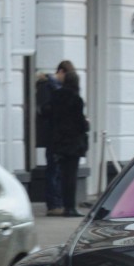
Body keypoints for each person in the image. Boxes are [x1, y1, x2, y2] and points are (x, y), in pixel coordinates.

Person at [49, 66, 90, 217]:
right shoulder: (76, 99)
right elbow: (80, 123)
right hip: (73, 142)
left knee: (63, 175)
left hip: (59, 141)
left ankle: (64, 205)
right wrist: (87, 123)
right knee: (71, 176)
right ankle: (70, 207)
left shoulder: (56, 96)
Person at [35, 68, 63, 215]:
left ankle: (57, 203)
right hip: (52, 134)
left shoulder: (52, 87)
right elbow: (45, 110)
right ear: (61, 71)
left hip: (54, 134)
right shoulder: (48, 87)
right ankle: (54, 204)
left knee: (55, 170)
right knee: (53, 170)